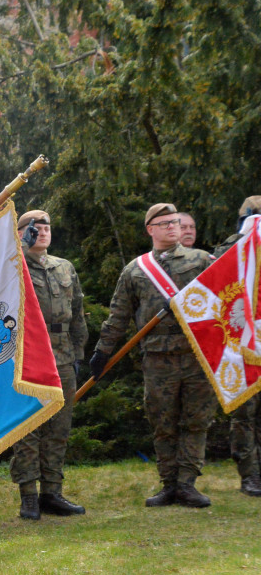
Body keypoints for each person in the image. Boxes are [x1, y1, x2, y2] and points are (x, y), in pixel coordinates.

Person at [90, 203, 216, 507]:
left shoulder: (202, 260)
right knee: (163, 422)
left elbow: (226, 294)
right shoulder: (135, 270)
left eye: (176, 222)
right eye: (165, 223)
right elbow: (119, 315)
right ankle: (169, 484)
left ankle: (187, 484)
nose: (173, 227)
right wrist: (102, 351)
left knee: (196, 421)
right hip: (158, 359)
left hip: (198, 357)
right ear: (151, 229)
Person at [10, 210, 88, 519]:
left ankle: (52, 492)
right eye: (33, 228)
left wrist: (79, 353)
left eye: (45, 227)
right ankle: (29, 495)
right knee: (28, 426)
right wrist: (18, 250)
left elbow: (78, 311)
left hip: (63, 355)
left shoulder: (63, 267)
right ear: (21, 233)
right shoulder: (13, 267)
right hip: (27, 354)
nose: (41, 232)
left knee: (59, 426)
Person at [214, 196, 261, 497]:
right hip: (241, 340)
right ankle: (250, 475)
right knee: (245, 414)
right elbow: (216, 281)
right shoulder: (230, 248)